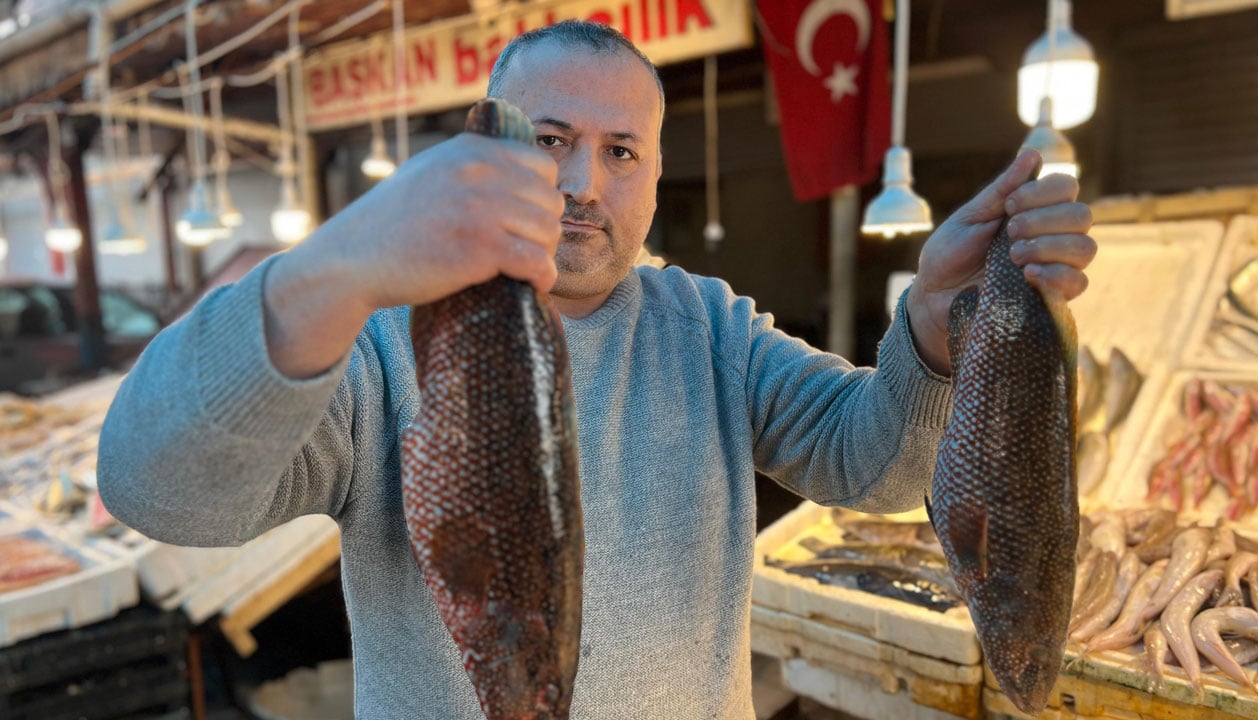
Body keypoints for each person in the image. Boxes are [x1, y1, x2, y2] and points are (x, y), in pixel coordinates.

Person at [98, 20, 1096, 720]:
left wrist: (927, 321)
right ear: (484, 152)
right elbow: (161, 493)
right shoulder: (385, 344)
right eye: (549, 141)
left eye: (621, 150)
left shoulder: (704, 325)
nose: (582, 185)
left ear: (656, 175)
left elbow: (872, 469)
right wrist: (327, 271)